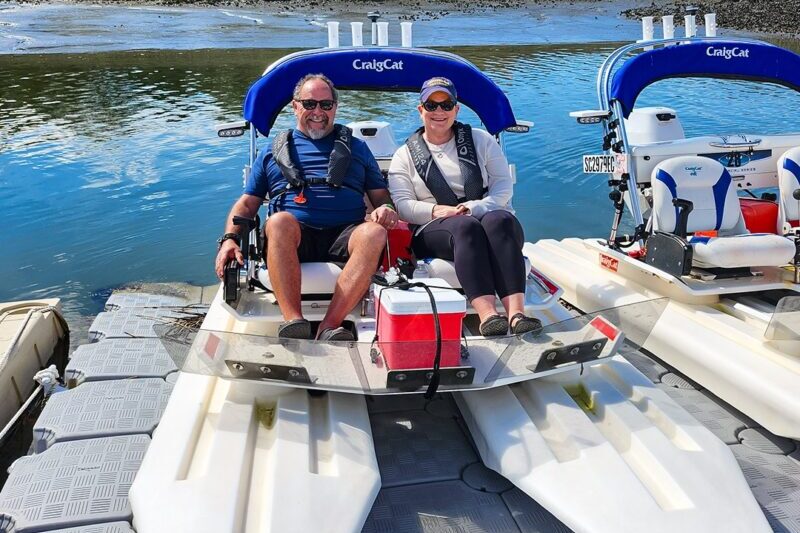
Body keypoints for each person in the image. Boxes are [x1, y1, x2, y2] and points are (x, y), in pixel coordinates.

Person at [215, 73, 398, 341]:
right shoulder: (270, 152)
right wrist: (229, 240)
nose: (318, 112)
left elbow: (381, 197)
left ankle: (329, 325)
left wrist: (386, 208)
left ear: (335, 107)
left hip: (345, 235)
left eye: (326, 105)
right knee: (278, 222)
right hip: (292, 237)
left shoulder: (358, 149)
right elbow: (247, 203)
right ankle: (294, 322)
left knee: (374, 233)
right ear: (295, 105)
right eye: (310, 104)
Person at [388, 77, 541, 337]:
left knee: (499, 220)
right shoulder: (403, 156)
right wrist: (439, 211)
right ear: (420, 109)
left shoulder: (481, 141)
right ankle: (488, 316)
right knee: (465, 226)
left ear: (456, 110)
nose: (439, 112)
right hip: (433, 228)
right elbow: (403, 206)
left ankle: (517, 314)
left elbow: (503, 186)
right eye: (431, 105)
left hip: (481, 215)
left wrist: (476, 207)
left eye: (446, 105)